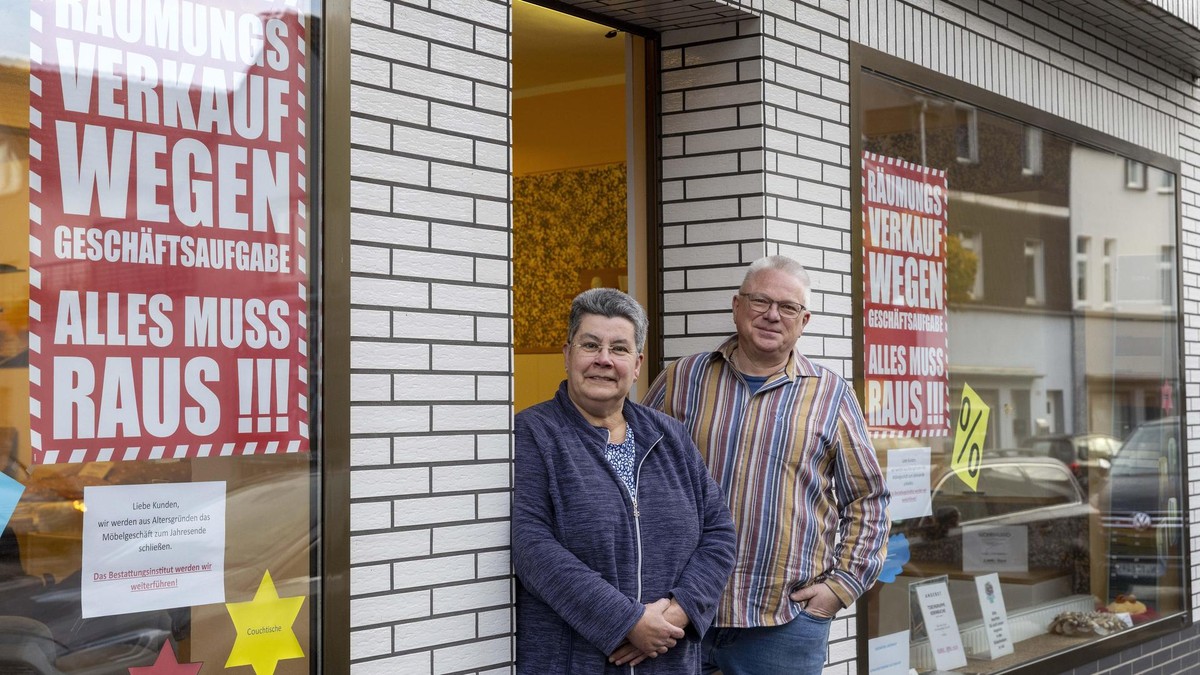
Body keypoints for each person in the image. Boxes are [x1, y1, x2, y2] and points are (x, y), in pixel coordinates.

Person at [644, 255, 891, 674]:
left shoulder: (831, 395)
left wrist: (839, 587)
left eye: (788, 307)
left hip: (782, 624)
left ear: (805, 319)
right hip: (678, 614)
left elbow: (868, 500)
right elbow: (636, 474)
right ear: (737, 305)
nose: (772, 315)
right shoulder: (682, 379)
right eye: (760, 301)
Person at [513, 288, 737, 674]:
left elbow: (719, 532)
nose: (603, 359)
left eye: (619, 349)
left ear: (636, 365)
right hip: (573, 661)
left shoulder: (670, 435)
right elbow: (531, 545)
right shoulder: (533, 433)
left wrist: (677, 612)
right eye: (590, 344)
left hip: (668, 659)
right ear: (567, 355)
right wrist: (626, 621)